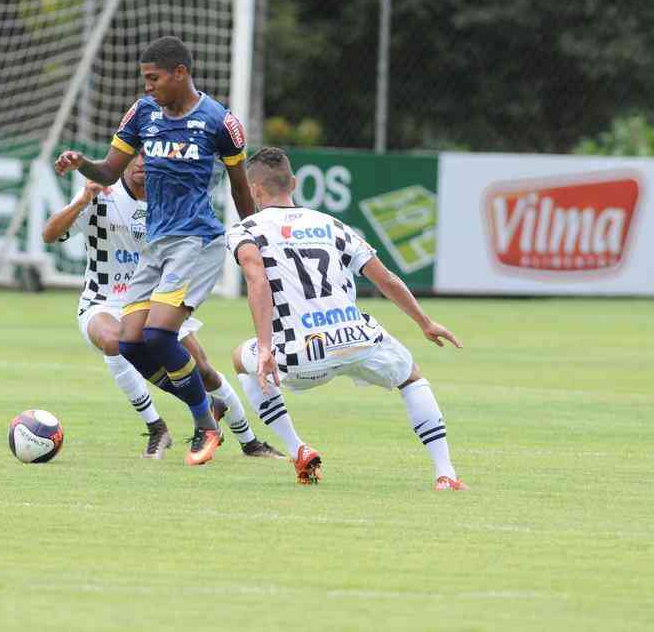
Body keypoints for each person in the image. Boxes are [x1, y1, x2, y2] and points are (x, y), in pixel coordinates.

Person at [55, 35, 256, 466]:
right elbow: (110, 169)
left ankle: (204, 422)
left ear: (180, 73)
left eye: (154, 78)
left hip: (197, 240)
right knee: (130, 344)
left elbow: (240, 189)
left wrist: (256, 238)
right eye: (144, 79)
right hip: (157, 246)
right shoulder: (143, 113)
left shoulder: (220, 122)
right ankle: (207, 408)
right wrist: (81, 163)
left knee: (160, 334)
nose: (148, 86)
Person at [226, 147, 469, 490]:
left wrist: (265, 347)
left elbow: (257, 280)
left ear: (254, 190)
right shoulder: (332, 225)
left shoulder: (245, 230)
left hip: (299, 354)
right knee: (411, 378)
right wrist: (425, 322)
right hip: (355, 339)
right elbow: (385, 278)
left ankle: (298, 449)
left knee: (240, 358)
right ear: (293, 183)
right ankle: (446, 474)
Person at [42, 153, 283, 460]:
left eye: (149, 156)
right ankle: (158, 428)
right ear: (125, 159)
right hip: (104, 300)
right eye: (136, 156)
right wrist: (82, 201)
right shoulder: (102, 192)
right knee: (115, 341)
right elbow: (49, 235)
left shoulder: (169, 200)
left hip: (155, 301)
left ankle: (250, 443)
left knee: (205, 371)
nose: (142, 163)